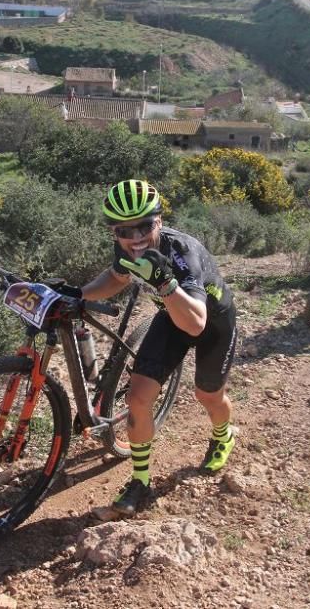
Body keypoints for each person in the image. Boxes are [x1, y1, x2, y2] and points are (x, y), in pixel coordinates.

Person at [81, 180, 238, 515]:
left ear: (160, 221)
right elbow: (116, 278)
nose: (135, 237)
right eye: (125, 230)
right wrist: (78, 295)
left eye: (144, 226)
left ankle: (223, 435)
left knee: (207, 395)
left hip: (213, 322)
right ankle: (140, 481)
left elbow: (197, 322)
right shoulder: (126, 249)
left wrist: (165, 282)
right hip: (171, 314)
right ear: (115, 233)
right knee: (138, 397)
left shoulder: (182, 251)